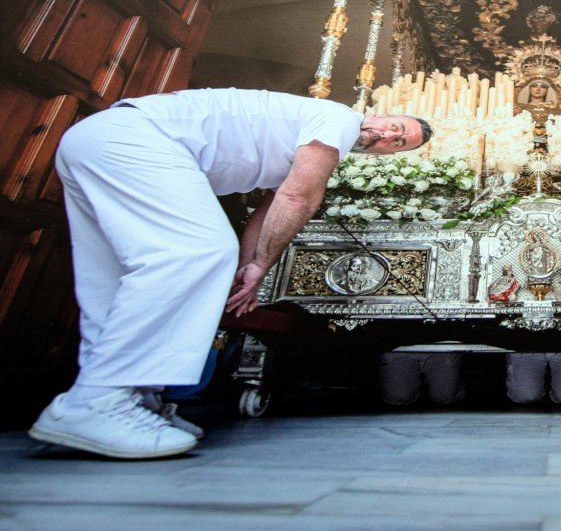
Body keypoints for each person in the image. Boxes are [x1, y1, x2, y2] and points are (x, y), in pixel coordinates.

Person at [29, 88, 430, 459]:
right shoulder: (337, 118)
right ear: (378, 113)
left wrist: (248, 266)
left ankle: (131, 398)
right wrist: (258, 264)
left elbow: (271, 203)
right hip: (137, 139)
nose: (388, 137)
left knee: (116, 277)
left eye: (399, 143)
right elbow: (298, 197)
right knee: (197, 251)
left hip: (98, 141)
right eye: (396, 126)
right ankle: (98, 402)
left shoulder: (314, 135)